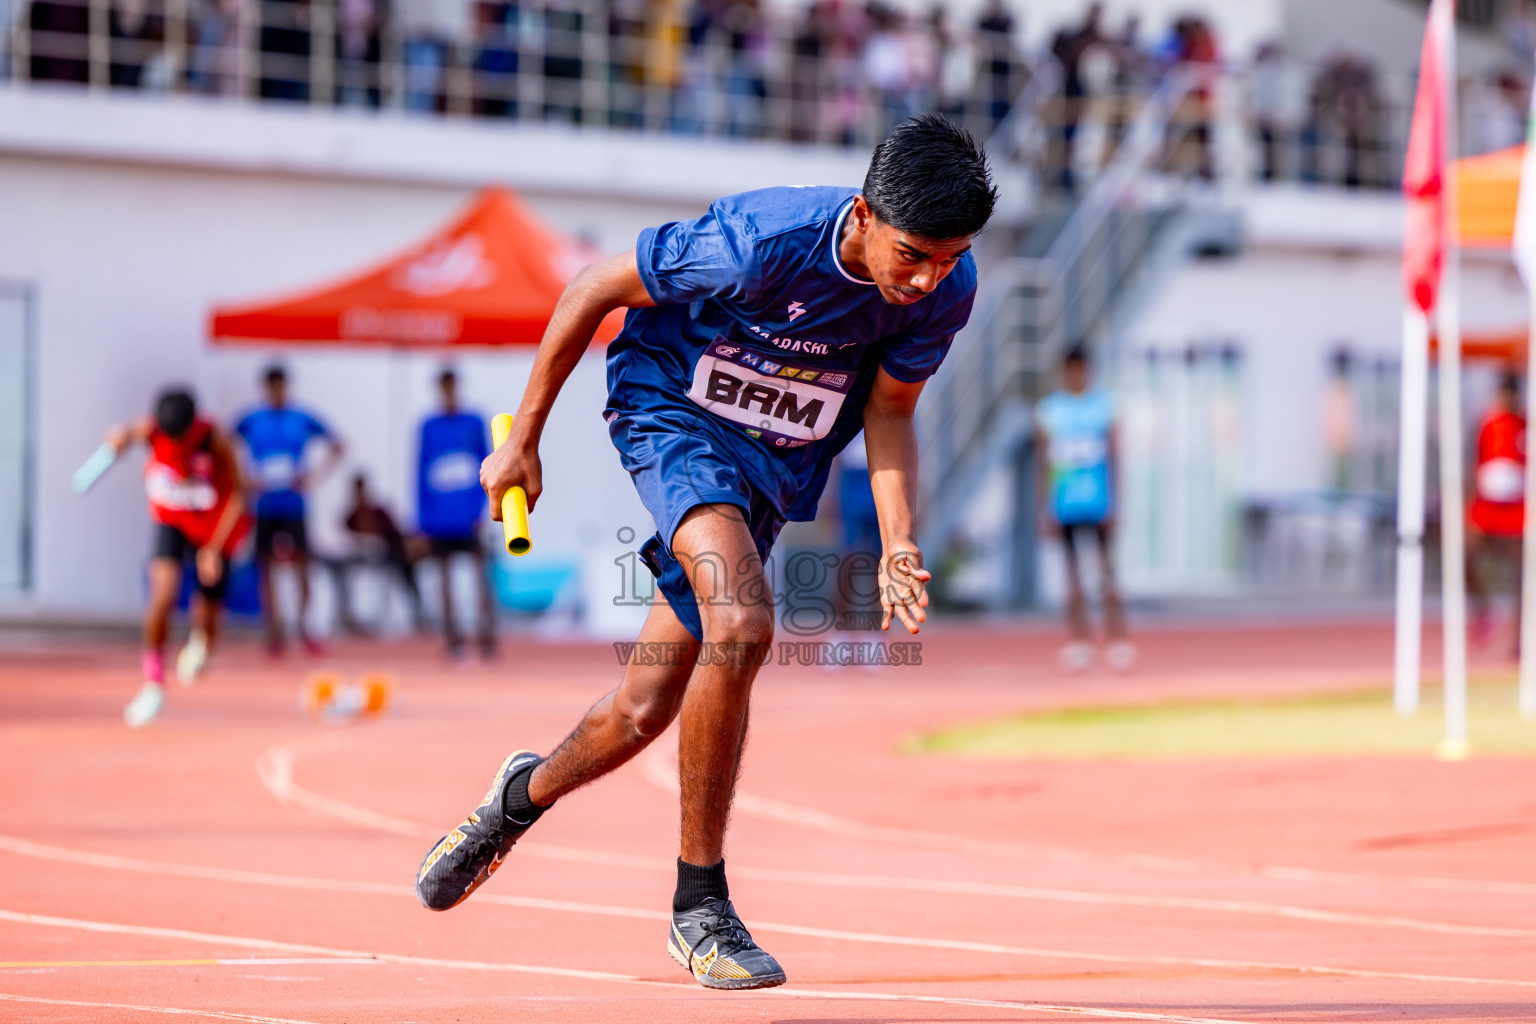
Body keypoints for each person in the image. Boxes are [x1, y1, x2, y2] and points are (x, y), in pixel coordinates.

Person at [414, 114, 994, 989]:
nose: (926, 278)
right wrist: (524, 439)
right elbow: (592, 288)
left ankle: (514, 801)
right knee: (745, 621)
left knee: (643, 708)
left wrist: (899, 539)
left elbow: (890, 411)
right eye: (913, 254)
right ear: (866, 214)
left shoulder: (948, 288)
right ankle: (700, 908)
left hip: (769, 464)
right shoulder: (760, 243)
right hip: (673, 418)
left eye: (947, 259)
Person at [105, 388, 249, 728]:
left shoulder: (218, 441)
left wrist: (214, 547)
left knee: (207, 610)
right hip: (172, 521)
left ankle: (201, 644)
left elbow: (241, 493)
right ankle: (153, 684)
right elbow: (125, 435)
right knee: (162, 594)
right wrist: (117, 439)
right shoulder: (152, 429)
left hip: (214, 527)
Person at [1035, 344, 1133, 673]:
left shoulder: (1105, 406)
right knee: (1073, 576)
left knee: (1107, 574)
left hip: (1098, 502)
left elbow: (1115, 458)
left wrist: (1117, 503)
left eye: (1082, 369)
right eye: (1071, 369)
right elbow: (1043, 464)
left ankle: (1118, 640)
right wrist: (1045, 507)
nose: (1077, 375)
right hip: (1065, 504)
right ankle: (1079, 641)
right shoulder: (1051, 410)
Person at [235, 365, 344, 657]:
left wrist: (315, 476)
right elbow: (223, 443)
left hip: (294, 505)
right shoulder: (252, 419)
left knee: (302, 567)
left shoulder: (301, 417)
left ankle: (306, 628)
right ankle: (275, 631)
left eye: (281, 387)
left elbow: (339, 444)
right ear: (266, 388)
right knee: (267, 568)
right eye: (272, 387)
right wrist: (244, 479)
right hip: (265, 505)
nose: (277, 392)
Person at [417, 368, 496, 658]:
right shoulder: (428, 426)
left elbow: (487, 464)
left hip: (469, 515)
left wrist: (483, 507)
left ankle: (486, 635)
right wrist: (422, 520)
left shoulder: (473, 422)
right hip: (440, 517)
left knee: (479, 575)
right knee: (445, 577)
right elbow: (419, 472)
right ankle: (454, 638)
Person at [1467, 371, 1526, 655]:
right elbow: (1474, 459)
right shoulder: (1486, 423)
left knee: (1523, 572)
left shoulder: (1525, 424)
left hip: (1518, 505)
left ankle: (1521, 638)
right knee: (1466, 555)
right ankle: (1487, 610)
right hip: (1487, 504)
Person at [336, 472, 425, 635]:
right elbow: (345, 540)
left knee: (405, 563)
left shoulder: (379, 512)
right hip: (364, 558)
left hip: (390, 554)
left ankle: (418, 612)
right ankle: (348, 616)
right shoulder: (350, 517)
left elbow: (395, 533)